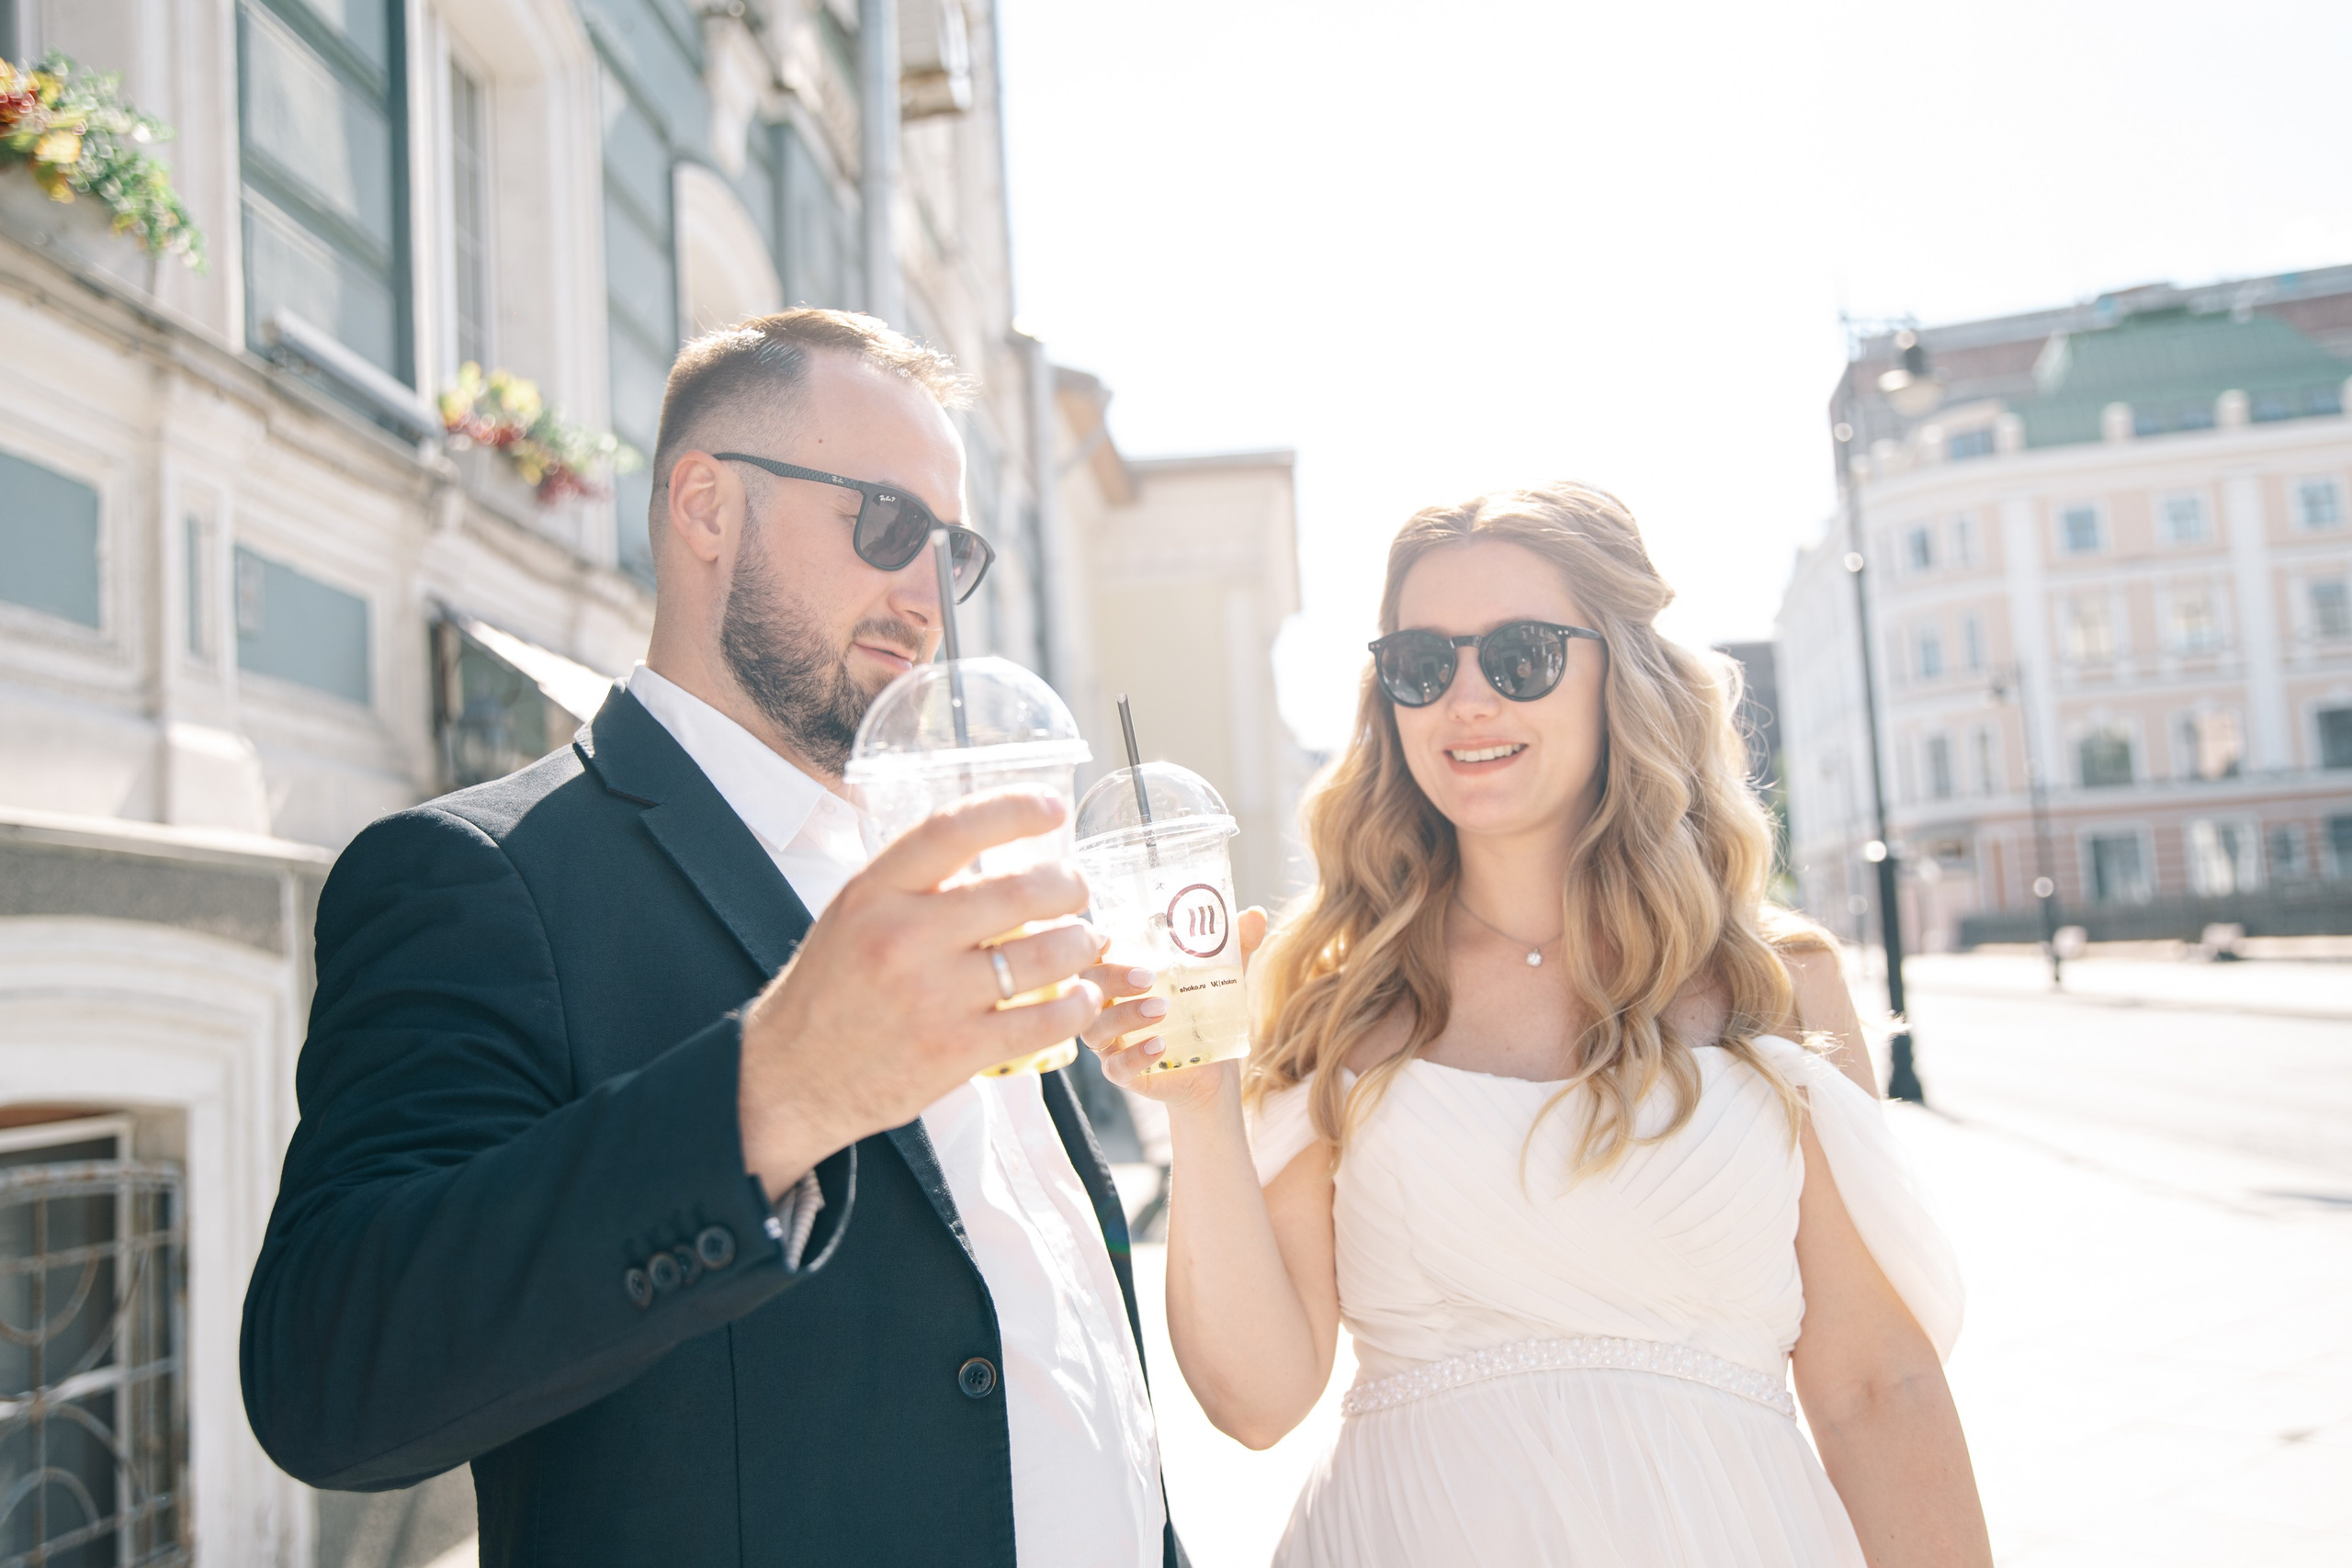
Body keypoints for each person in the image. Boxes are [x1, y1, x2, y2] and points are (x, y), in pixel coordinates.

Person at [243, 310, 1186, 1568]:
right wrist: (777, 1089)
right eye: (886, 524)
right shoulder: (482, 876)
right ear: (705, 507)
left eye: (951, 551)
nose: (927, 597)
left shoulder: (953, 870)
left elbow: (1062, 1329)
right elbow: (325, 1373)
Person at [1087, 483, 1993, 1565]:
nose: (1466, 699)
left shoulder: (1773, 983)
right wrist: (1200, 1106)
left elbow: (1878, 1389)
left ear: (1621, 673)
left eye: (1522, 656)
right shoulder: (1337, 998)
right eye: (1422, 664)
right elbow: (1254, 1401)